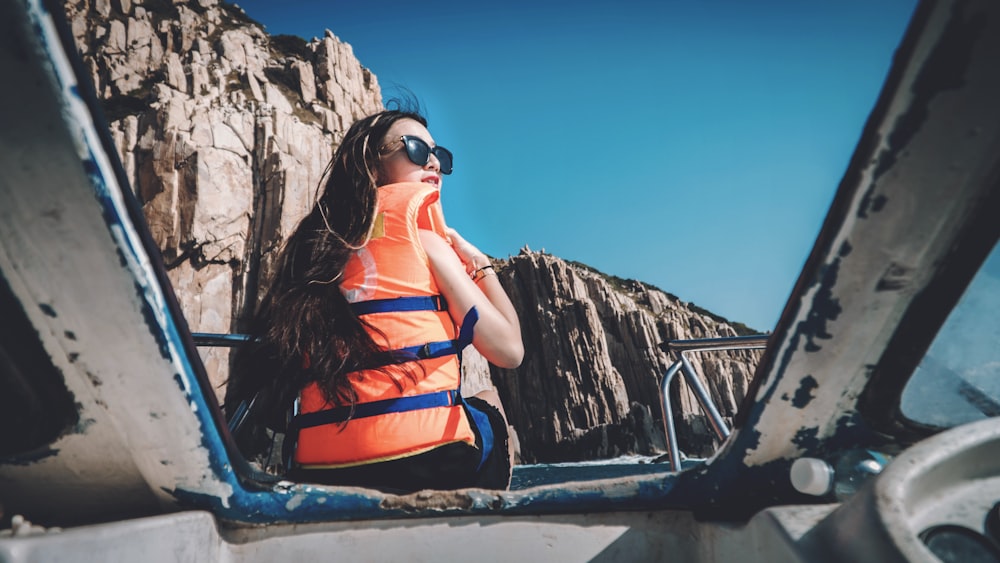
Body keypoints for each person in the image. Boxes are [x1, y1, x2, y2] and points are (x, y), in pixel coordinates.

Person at [227, 107, 523, 492]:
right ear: (372, 162)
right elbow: (510, 351)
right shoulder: (427, 242)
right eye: (416, 149)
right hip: (430, 465)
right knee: (490, 397)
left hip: (321, 473)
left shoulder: (312, 250)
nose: (433, 162)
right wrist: (481, 266)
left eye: (440, 155)